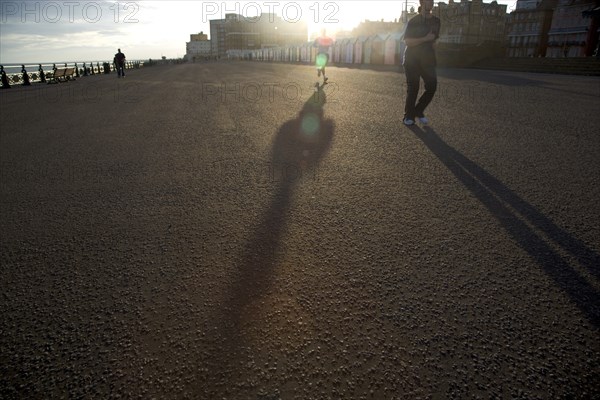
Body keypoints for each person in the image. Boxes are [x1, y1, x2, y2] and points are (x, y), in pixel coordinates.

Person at [402, 0, 441, 126]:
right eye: (428, 0)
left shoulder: (436, 21)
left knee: (432, 87)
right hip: (412, 60)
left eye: (432, 0)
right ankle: (408, 116)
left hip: (428, 60)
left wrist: (434, 47)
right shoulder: (414, 21)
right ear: (422, 2)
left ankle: (418, 111)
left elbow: (434, 40)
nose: (431, 3)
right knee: (413, 88)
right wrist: (425, 39)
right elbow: (408, 41)